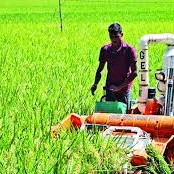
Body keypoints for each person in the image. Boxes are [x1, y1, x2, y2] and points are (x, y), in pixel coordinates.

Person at [90, 23, 137, 106]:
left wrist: (119, 87)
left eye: (116, 36)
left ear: (121, 35)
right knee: (109, 115)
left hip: (124, 90)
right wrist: (95, 83)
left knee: (124, 116)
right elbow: (100, 69)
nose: (113, 39)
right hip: (110, 88)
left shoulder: (129, 50)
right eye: (111, 37)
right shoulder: (105, 49)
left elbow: (134, 72)